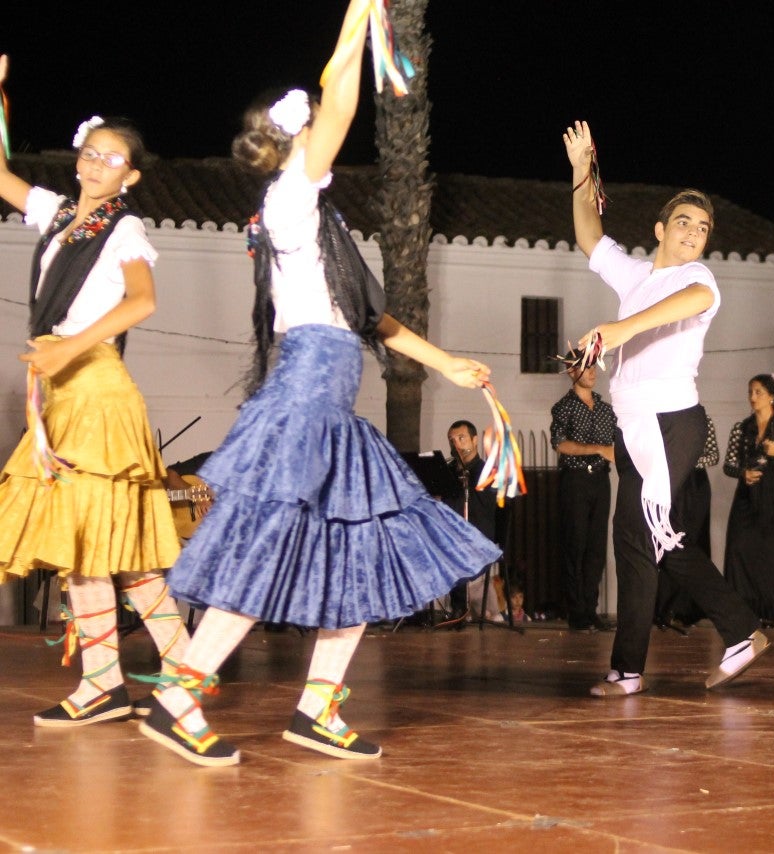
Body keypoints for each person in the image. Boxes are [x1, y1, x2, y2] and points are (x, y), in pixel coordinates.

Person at [138, 2, 501, 767]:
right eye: (309, 135)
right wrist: (359, 13)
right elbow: (340, 99)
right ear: (291, 144)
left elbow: (373, 319)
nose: (323, 141)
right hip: (305, 399)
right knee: (264, 547)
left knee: (360, 548)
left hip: (329, 401)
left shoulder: (317, 222)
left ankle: (318, 711)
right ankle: (177, 697)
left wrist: (448, 364)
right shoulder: (290, 199)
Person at [0, 55, 192, 727]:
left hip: (97, 389)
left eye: (111, 158)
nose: (96, 163)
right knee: (86, 547)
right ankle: (105, 684)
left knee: (119, 548)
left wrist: (68, 348)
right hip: (61, 391)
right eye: (90, 152)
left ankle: (185, 672)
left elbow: (142, 302)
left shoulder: (125, 229)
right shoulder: (55, 215)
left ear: (130, 176)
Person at [564, 120, 768, 698]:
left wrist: (617, 327)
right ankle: (649, 661)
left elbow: (694, 301)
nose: (694, 233)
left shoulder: (697, 278)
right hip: (633, 425)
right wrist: (582, 170)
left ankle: (731, 633)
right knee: (643, 536)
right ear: (659, 228)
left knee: (644, 532)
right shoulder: (635, 275)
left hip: (668, 422)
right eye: (684, 222)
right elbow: (588, 236)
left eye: (703, 227)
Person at [723, 374, 774, 628]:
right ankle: (745, 610)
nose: (752, 397)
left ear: (772, 395)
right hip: (747, 495)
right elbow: (728, 465)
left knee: (773, 553)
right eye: (750, 392)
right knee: (739, 547)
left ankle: (773, 610)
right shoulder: (741, 428)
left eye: (758, 392)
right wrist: (742, 473)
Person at [550, 353, 616, 632]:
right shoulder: (563, 407)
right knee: (575, 546)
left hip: (601, 480)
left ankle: (590, 609)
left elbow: (617, 442)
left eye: (593, 366)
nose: (592, 372)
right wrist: (598, 449)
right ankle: (576, 611)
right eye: (586, 367)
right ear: (571, 371)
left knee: (596, 548)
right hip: (575, 479)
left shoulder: (605, 408)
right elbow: (560, 444)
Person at [654, 413, 717, 632]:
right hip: (671, 482)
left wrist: (686, 458)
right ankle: (666, 608)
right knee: (669, 542)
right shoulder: (661, 416)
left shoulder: (701, 419)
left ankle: (688, 609)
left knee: (693, 543)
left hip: (696, 485)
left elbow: (713, 455)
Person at [444, 420, 504, 623]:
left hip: (478, 535)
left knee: (456, 549)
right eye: (452, 440)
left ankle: (460, 609)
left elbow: (485, 509)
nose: (457, 444)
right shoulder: (448, 470)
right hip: (452, 534)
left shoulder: (488, 471)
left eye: (461, 438)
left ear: (475, 439)